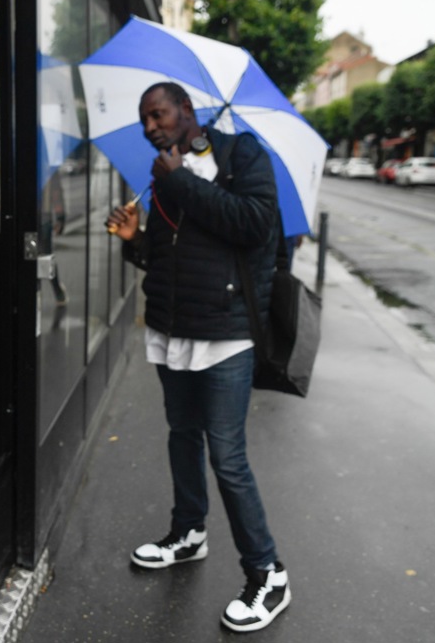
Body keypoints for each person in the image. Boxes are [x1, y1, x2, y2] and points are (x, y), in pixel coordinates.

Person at [105, 82, 290, 633]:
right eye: (143, 119)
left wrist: (180, 181)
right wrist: (135, 239)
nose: (149, 127)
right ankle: (189, 532)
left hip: (227, 334)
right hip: (173, 331)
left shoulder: (242, 154)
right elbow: (166, 256)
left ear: (186, 110)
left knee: (227, 457)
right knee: (181, 434)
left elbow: (254, 226)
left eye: (157, 114)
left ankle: (267, 574)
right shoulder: (164, 176)